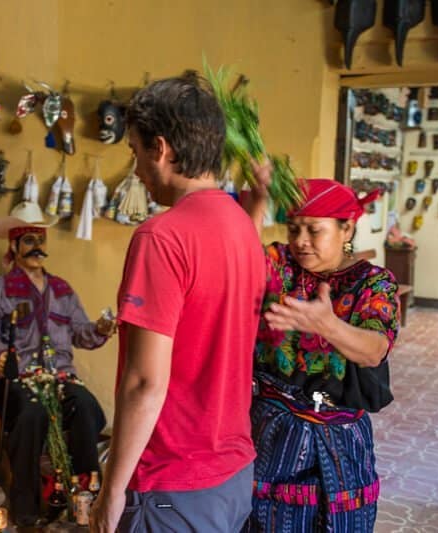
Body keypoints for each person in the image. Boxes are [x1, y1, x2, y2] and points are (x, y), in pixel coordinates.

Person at [90, 75, 266, 533]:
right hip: (232, 473)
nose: (137, 170)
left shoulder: (161, 237)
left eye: (134, 152)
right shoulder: (243, 226)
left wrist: (111, 491)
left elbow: (145, 382)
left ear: (162, 149)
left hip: (173, 483)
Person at [240, 171, 399, 532]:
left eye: (315, 230)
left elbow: (375, 351)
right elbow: (241, 259)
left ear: (346, 229)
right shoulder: (280, 265)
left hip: (340, 441)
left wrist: (329, 326)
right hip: (271, 431)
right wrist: (260, 199)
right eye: (294, 228)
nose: (301, 241)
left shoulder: (374, 283)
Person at [0, 201, 116, 528]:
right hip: (16, 379)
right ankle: (25, 510)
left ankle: (82, 497)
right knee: (31, 413)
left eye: (40, 239)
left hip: (60, 376)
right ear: (13, 245)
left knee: (86, 407)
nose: (37, 246)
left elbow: (82, 333)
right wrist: (0, 356)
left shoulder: (62, 289)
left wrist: (99, 329)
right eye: (28, 240)